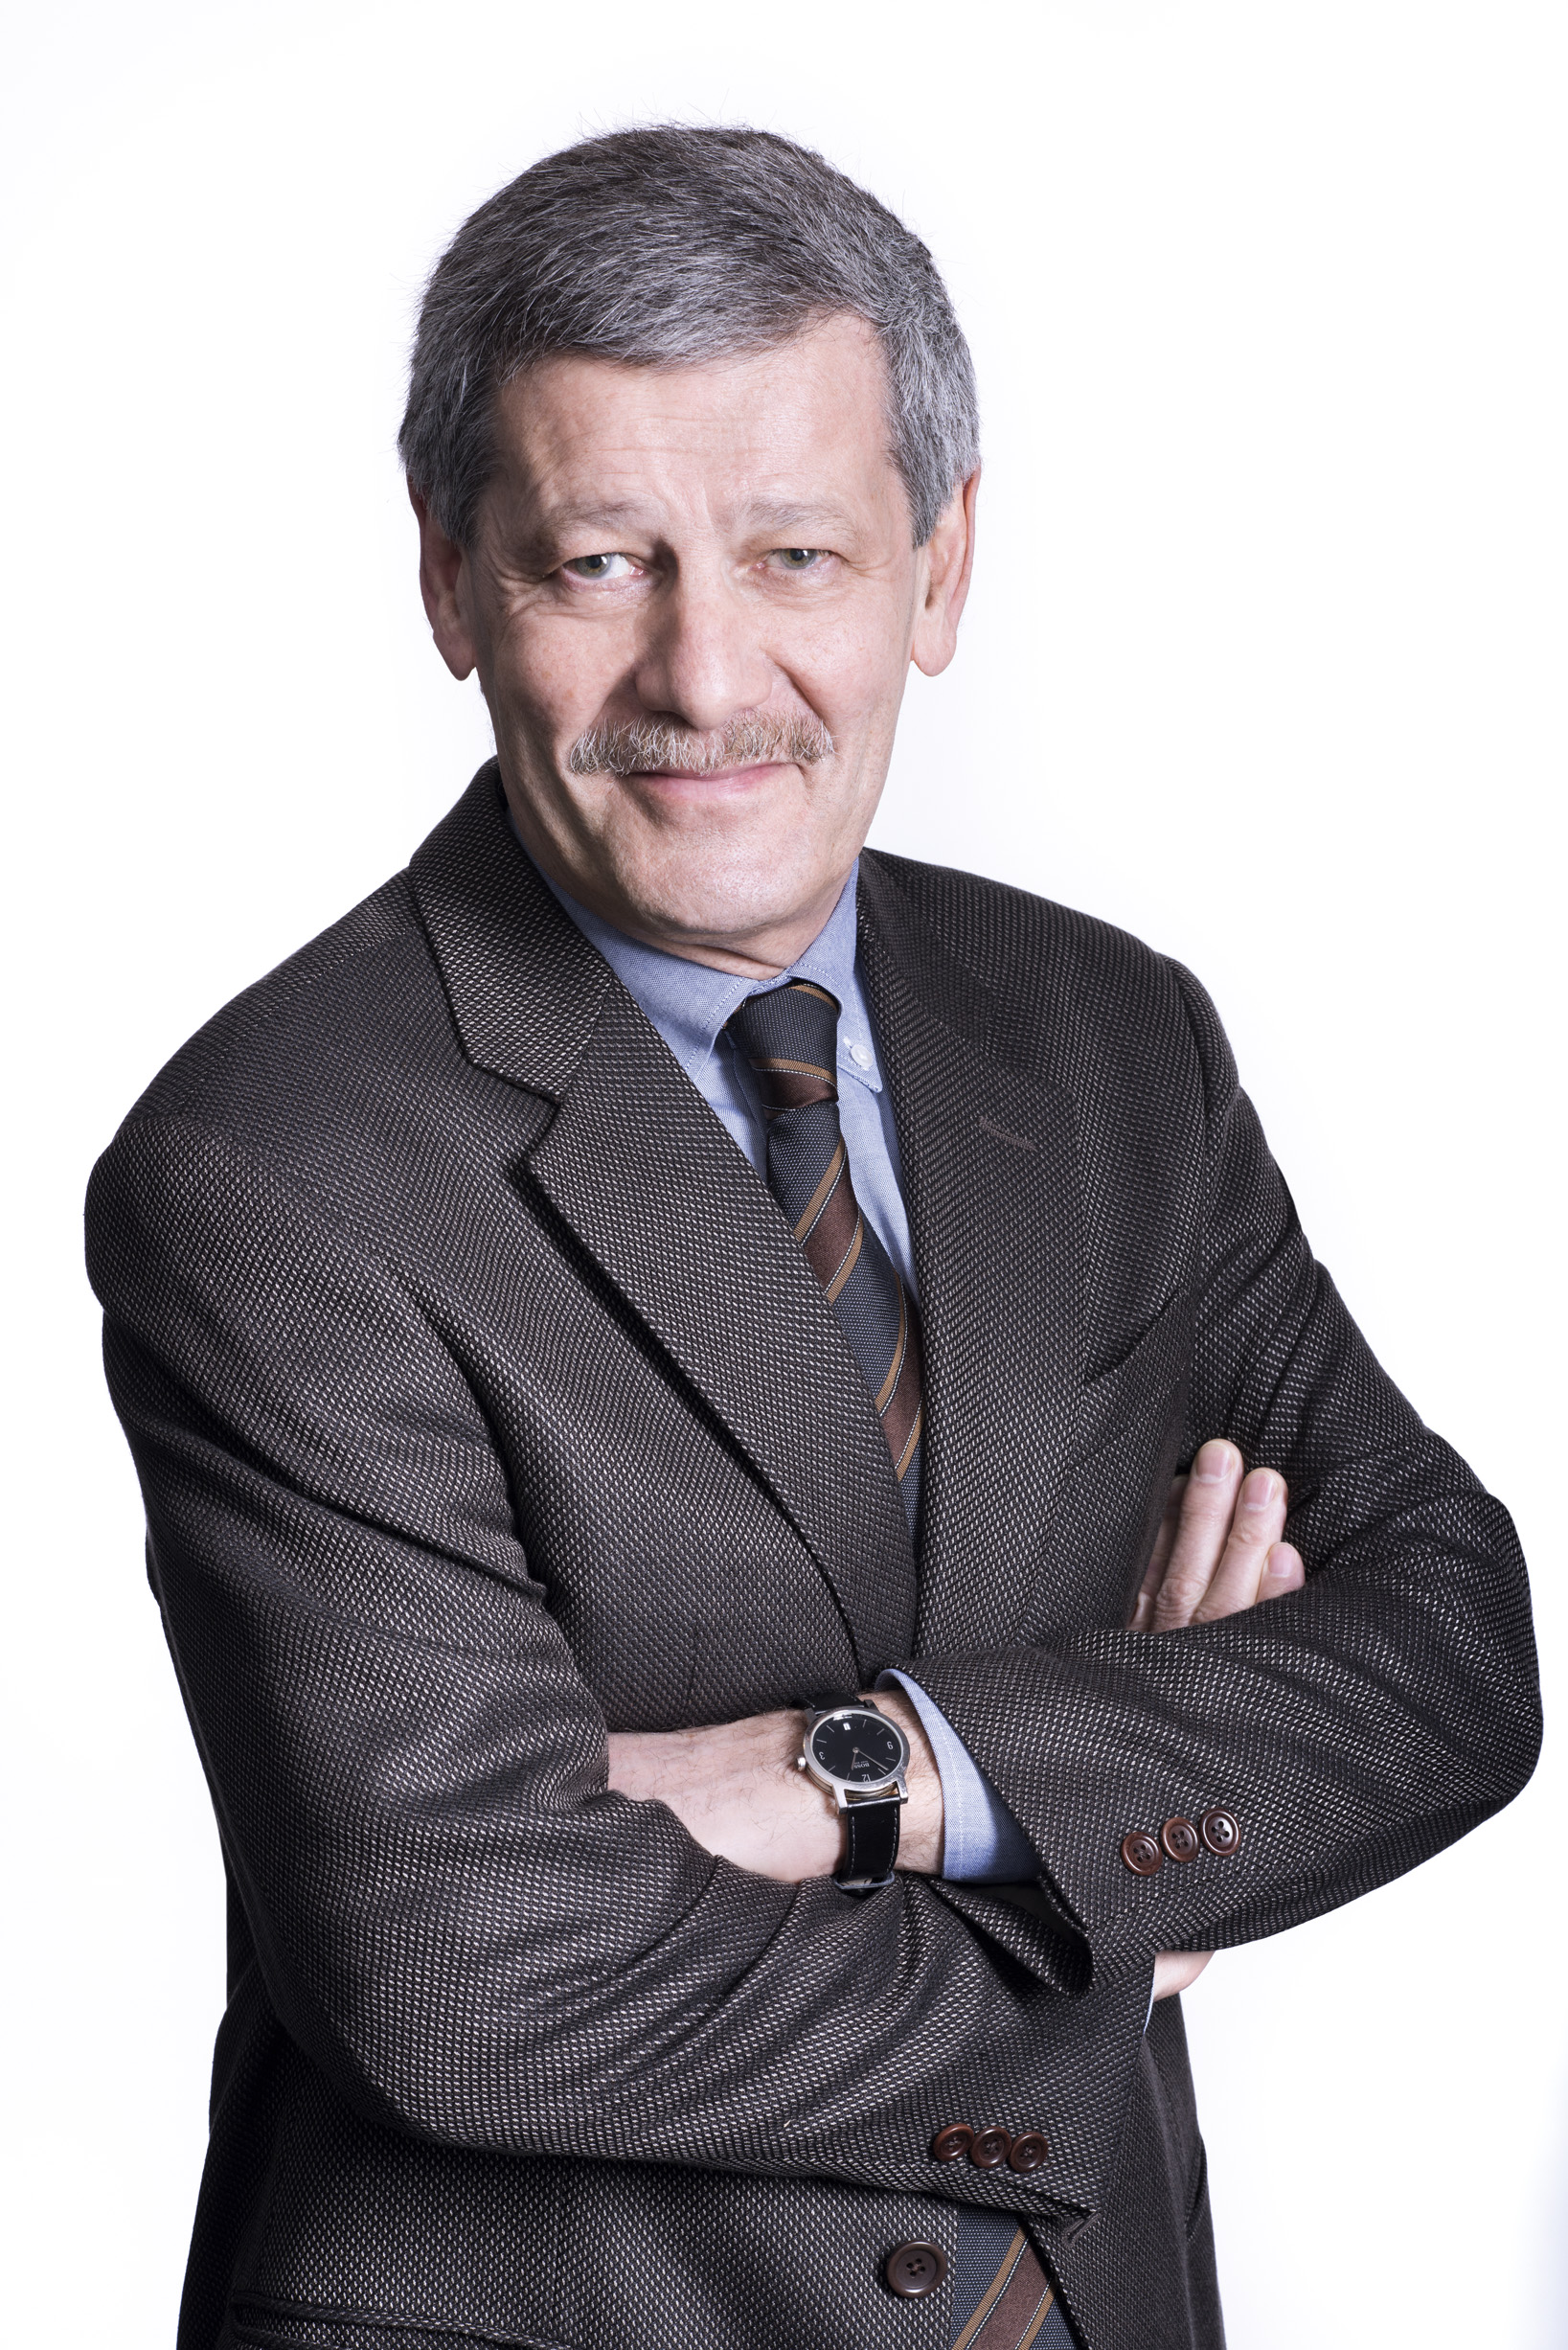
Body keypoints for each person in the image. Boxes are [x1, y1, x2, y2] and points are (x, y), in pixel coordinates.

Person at [86, 125, 1539, 2350]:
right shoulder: (274, 1168)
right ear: (452, 583)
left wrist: (853, 1777)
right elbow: (467, 1974)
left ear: (938, 569)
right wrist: (1110, 1914)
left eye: (796, 555)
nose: (706, 674)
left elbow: (1446, 1650)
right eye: (601, 561)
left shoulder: (1112, 1039)